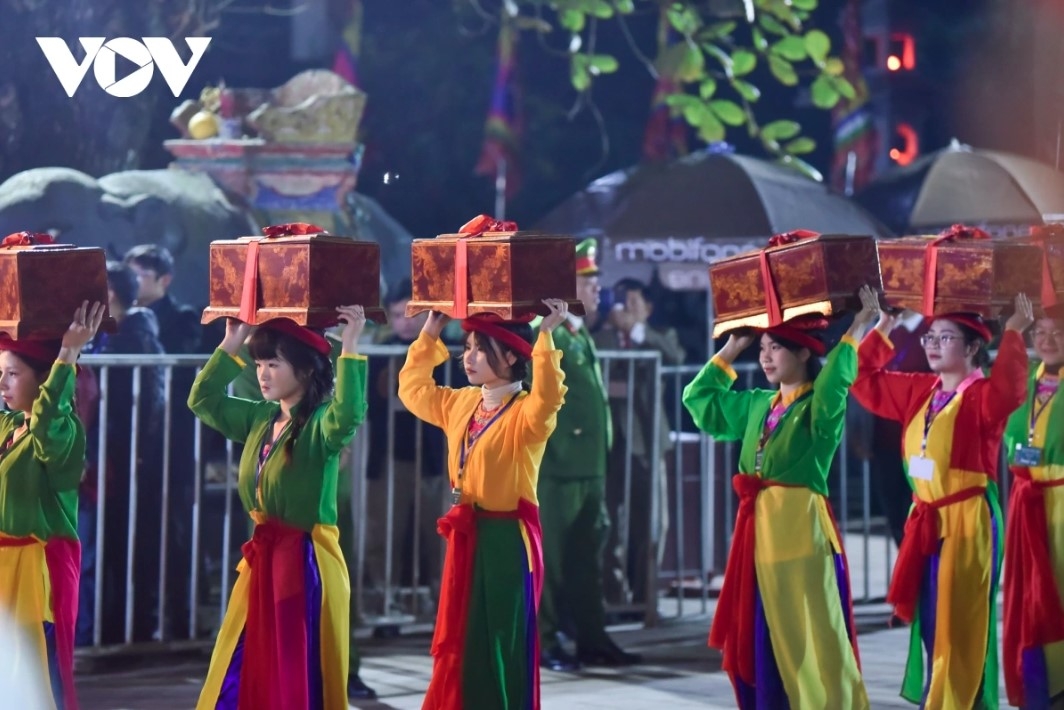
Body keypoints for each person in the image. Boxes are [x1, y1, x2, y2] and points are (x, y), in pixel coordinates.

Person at [682, 287, 878, 709]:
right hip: (757, 541)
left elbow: (835, 384)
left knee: (812, 636)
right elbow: (698, 401)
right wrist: (733, 347)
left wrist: (857, 327)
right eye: (764, 347)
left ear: (805, 353)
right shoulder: (757, 404)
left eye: (777, 348)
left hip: (801, 538)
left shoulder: (817, 410)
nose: (766, 357)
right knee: (764, 636)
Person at [851, 294, 1033, 709]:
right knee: (933, 623)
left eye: (945, 338)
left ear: (972, 348)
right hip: (927, 523)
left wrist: (1015, 334)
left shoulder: (983, 397)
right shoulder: (920, 390)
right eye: (930, 336)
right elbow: (861, 378)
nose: (932, 345)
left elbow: (1011, 389)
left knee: (960, 626)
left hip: (968, 522)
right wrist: (884, 325)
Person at [188, 307, 368, 710]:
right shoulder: (259, 417)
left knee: (294, 669)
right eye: (258, 364)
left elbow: (349, 415)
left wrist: (351, 346)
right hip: (263, 559)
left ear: (305, 370)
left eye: (274, 363)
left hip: (304, 564)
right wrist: (231, 342)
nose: (262, 374)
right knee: (243, 657)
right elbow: (202, 400)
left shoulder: (320, 423)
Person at [397, 300, 568, 710]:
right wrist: (431, 331)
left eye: (478, 348)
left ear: (510, 355)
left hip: (507, 539)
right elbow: (414, 389)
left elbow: (548, 398)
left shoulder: (527, 413)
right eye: (467, 346)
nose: (467, 357)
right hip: (467, 535)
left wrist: (546, 334)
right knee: (463, 634)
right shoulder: (462, 403)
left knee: (499, 640)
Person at [537, 239, 640, 670]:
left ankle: (592, 637)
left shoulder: (579, 336)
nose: (598, 290)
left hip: (589, 468)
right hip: (559, 469)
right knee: (553, 563)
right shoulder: (547, 335)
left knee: (586, 559)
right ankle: (545, 643)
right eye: (588, 281)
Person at [0, 300, 106, 710]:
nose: (3, 384)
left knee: (33, 681)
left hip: (34, 573)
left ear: (44, 381)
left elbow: (47, 418)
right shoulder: (9, 426)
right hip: (5, 567)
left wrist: (68, 354)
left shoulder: (61, 435)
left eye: (12, 374)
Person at [77, 260, 166, 645]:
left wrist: (134, 452)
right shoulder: (106, 334)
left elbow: (149, 402)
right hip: (108, 456)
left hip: (121, 459)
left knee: (116, 546)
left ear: (109, 293)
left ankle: (121, 630)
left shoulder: (135, 336)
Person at [593, 278, 686, 605]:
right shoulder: (600, 338)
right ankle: (614, 596)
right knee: (610, 523)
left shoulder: (658, 338)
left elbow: (676, 357)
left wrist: (637, 332)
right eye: (621, 303)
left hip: (647, 442)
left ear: (647, 308)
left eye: (633, 304)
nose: (626, 311)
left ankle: (645, 597)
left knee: (651, 522)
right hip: (610, 443)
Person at [1002, 304, 1064, 708]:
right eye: (1039, 331)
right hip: (1027, 504)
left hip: (1060, 501)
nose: (1046, 340)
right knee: (1032, 598)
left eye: (1057, 331)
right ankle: (1044, 686)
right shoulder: (1024, 383)